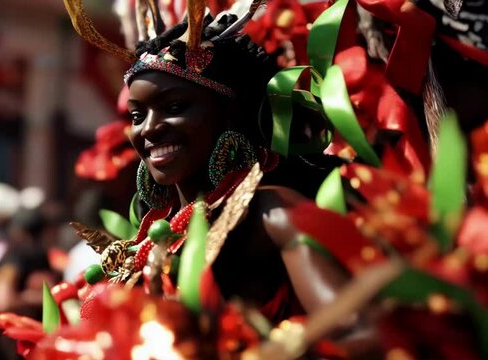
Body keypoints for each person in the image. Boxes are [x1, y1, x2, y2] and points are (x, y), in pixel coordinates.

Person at [63, 0, 352, 325]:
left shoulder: (269, 212)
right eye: (137, 114)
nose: (149, 128)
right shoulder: (153, 234)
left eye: (174, 107)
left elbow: (356, 332)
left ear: (228, 115)